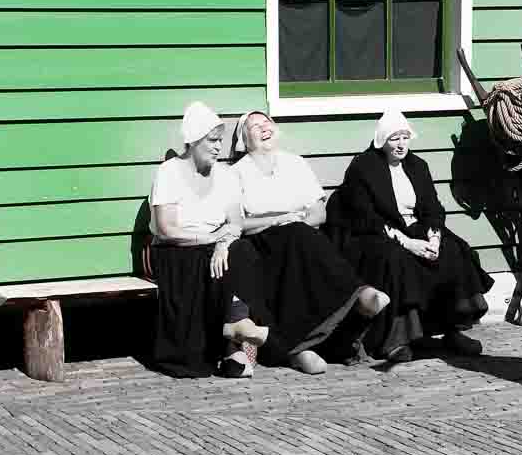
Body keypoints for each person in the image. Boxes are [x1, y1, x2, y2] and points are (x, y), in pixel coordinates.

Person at [326, 109, 493, 363]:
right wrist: (409, 243)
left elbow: (432, 208)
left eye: (405, 137)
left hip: (414, 227)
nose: (401, 144)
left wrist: (434, 237)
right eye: (394, 138)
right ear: (382, 141)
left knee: (452, 251)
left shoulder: (417, 166)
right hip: (372, 234)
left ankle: (453, 329)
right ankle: (396, 338)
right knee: (397, 261)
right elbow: (365, 217)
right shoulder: (364, 167)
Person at [232, 111, 390, 374]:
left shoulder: (295, 163)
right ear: (244, 140)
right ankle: (304, 344)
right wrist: (279, 220)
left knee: (306, 241)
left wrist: (298, 223)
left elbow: (320, 213)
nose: (263, 128)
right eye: (254, 126)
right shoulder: (237, 173)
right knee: (297, 241)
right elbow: (238, 223)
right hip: (263, 243)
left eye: (266, 122)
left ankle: (353, 302)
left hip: (303, 237)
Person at [149, 102, 285, 378]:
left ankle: (236, 326)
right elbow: (166, 229)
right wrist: (209, 239)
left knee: (243, 250)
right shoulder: (169, 172)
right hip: (177, 249)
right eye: (212, 141)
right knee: (207, 258)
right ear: (194, 140)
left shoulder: (225, 174)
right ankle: (233, 338)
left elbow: (235, 221)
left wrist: (222, 243)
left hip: (215, 245)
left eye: (220, 141)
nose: (218, 147)